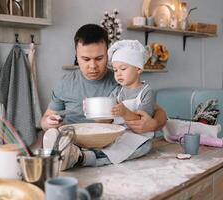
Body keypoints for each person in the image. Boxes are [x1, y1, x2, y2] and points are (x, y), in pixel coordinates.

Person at [40, 24, 167, 170]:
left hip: (109, 142)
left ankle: (78, 157)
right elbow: (45, 120)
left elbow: (159, 112)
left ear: (108, 54)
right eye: (85, 59)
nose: (93, 66)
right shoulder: (65, 83)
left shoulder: (122, 79)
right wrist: (49, 122)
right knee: (52, 133)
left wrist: (153, 124)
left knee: (140, 144)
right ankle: (69, 153)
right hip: (74, 140)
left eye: (99, 58)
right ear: (76, 55)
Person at [99, 39, 155, 164]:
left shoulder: (147, 92)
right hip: (118, 135)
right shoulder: (116, 92)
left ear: (138, 69)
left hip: (139, 137)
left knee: (132, 149)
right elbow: (108, 119)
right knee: (103, 144)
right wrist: (98, 114)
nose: (118, 74)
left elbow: (143, 122)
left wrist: (124, 113)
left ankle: (87, 159)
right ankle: (82, 155)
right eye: (115, 70)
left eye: (123, 68)